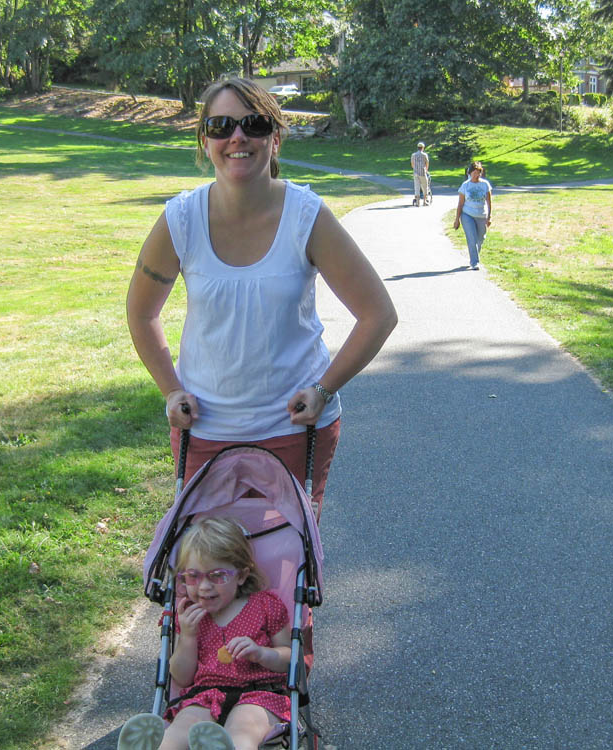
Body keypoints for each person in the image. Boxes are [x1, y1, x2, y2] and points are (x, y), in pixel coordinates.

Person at [126, 77, 397, 520]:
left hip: (293, 431)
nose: (237, 137)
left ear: (274, 138)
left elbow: (378, 314)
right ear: (204, 139)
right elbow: (141, 312)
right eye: (220, 125)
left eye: (253, 124)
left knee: (283, 576)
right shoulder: (182, 219)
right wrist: (171, 389)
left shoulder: (306, 216)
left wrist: (323, 391)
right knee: (209, 582)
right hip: (204, 433)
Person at [117, 517, 292, 750]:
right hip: (204, 695)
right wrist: (188, 636)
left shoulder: (265, 605)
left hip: (258, 695)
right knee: (184, 727)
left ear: (241, 575)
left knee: (242, 730)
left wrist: (261, 653)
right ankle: (160, 746)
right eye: (193, 576)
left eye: (217, 576)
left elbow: (290, 659)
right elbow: (181, 677)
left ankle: (227, 747)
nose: (204, 587)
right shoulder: (189, 616)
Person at [452, 161, 492, 270]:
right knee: (472, 238)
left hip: (481, 215)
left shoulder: (485, 185)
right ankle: (474, 262)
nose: (476, 175)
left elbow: (489, 202)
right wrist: (457, 220)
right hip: (467, 215)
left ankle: (474, 254)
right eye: (474, 172)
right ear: (470, 173)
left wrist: (489, 217)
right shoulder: (465, 185)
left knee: (480, 238)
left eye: (478, 172)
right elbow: (460, 203)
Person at [410, 142, 430, 206]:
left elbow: (412, 164)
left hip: (416, 173)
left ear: (418, 147)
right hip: (422, 173)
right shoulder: (424, 155)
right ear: (423, 148)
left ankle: (417, 202)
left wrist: (415, 169)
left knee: (417, 187)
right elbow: (427, 163)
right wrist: (426, 170)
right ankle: (425, 201)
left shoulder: (413, 155)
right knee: (425, 187)